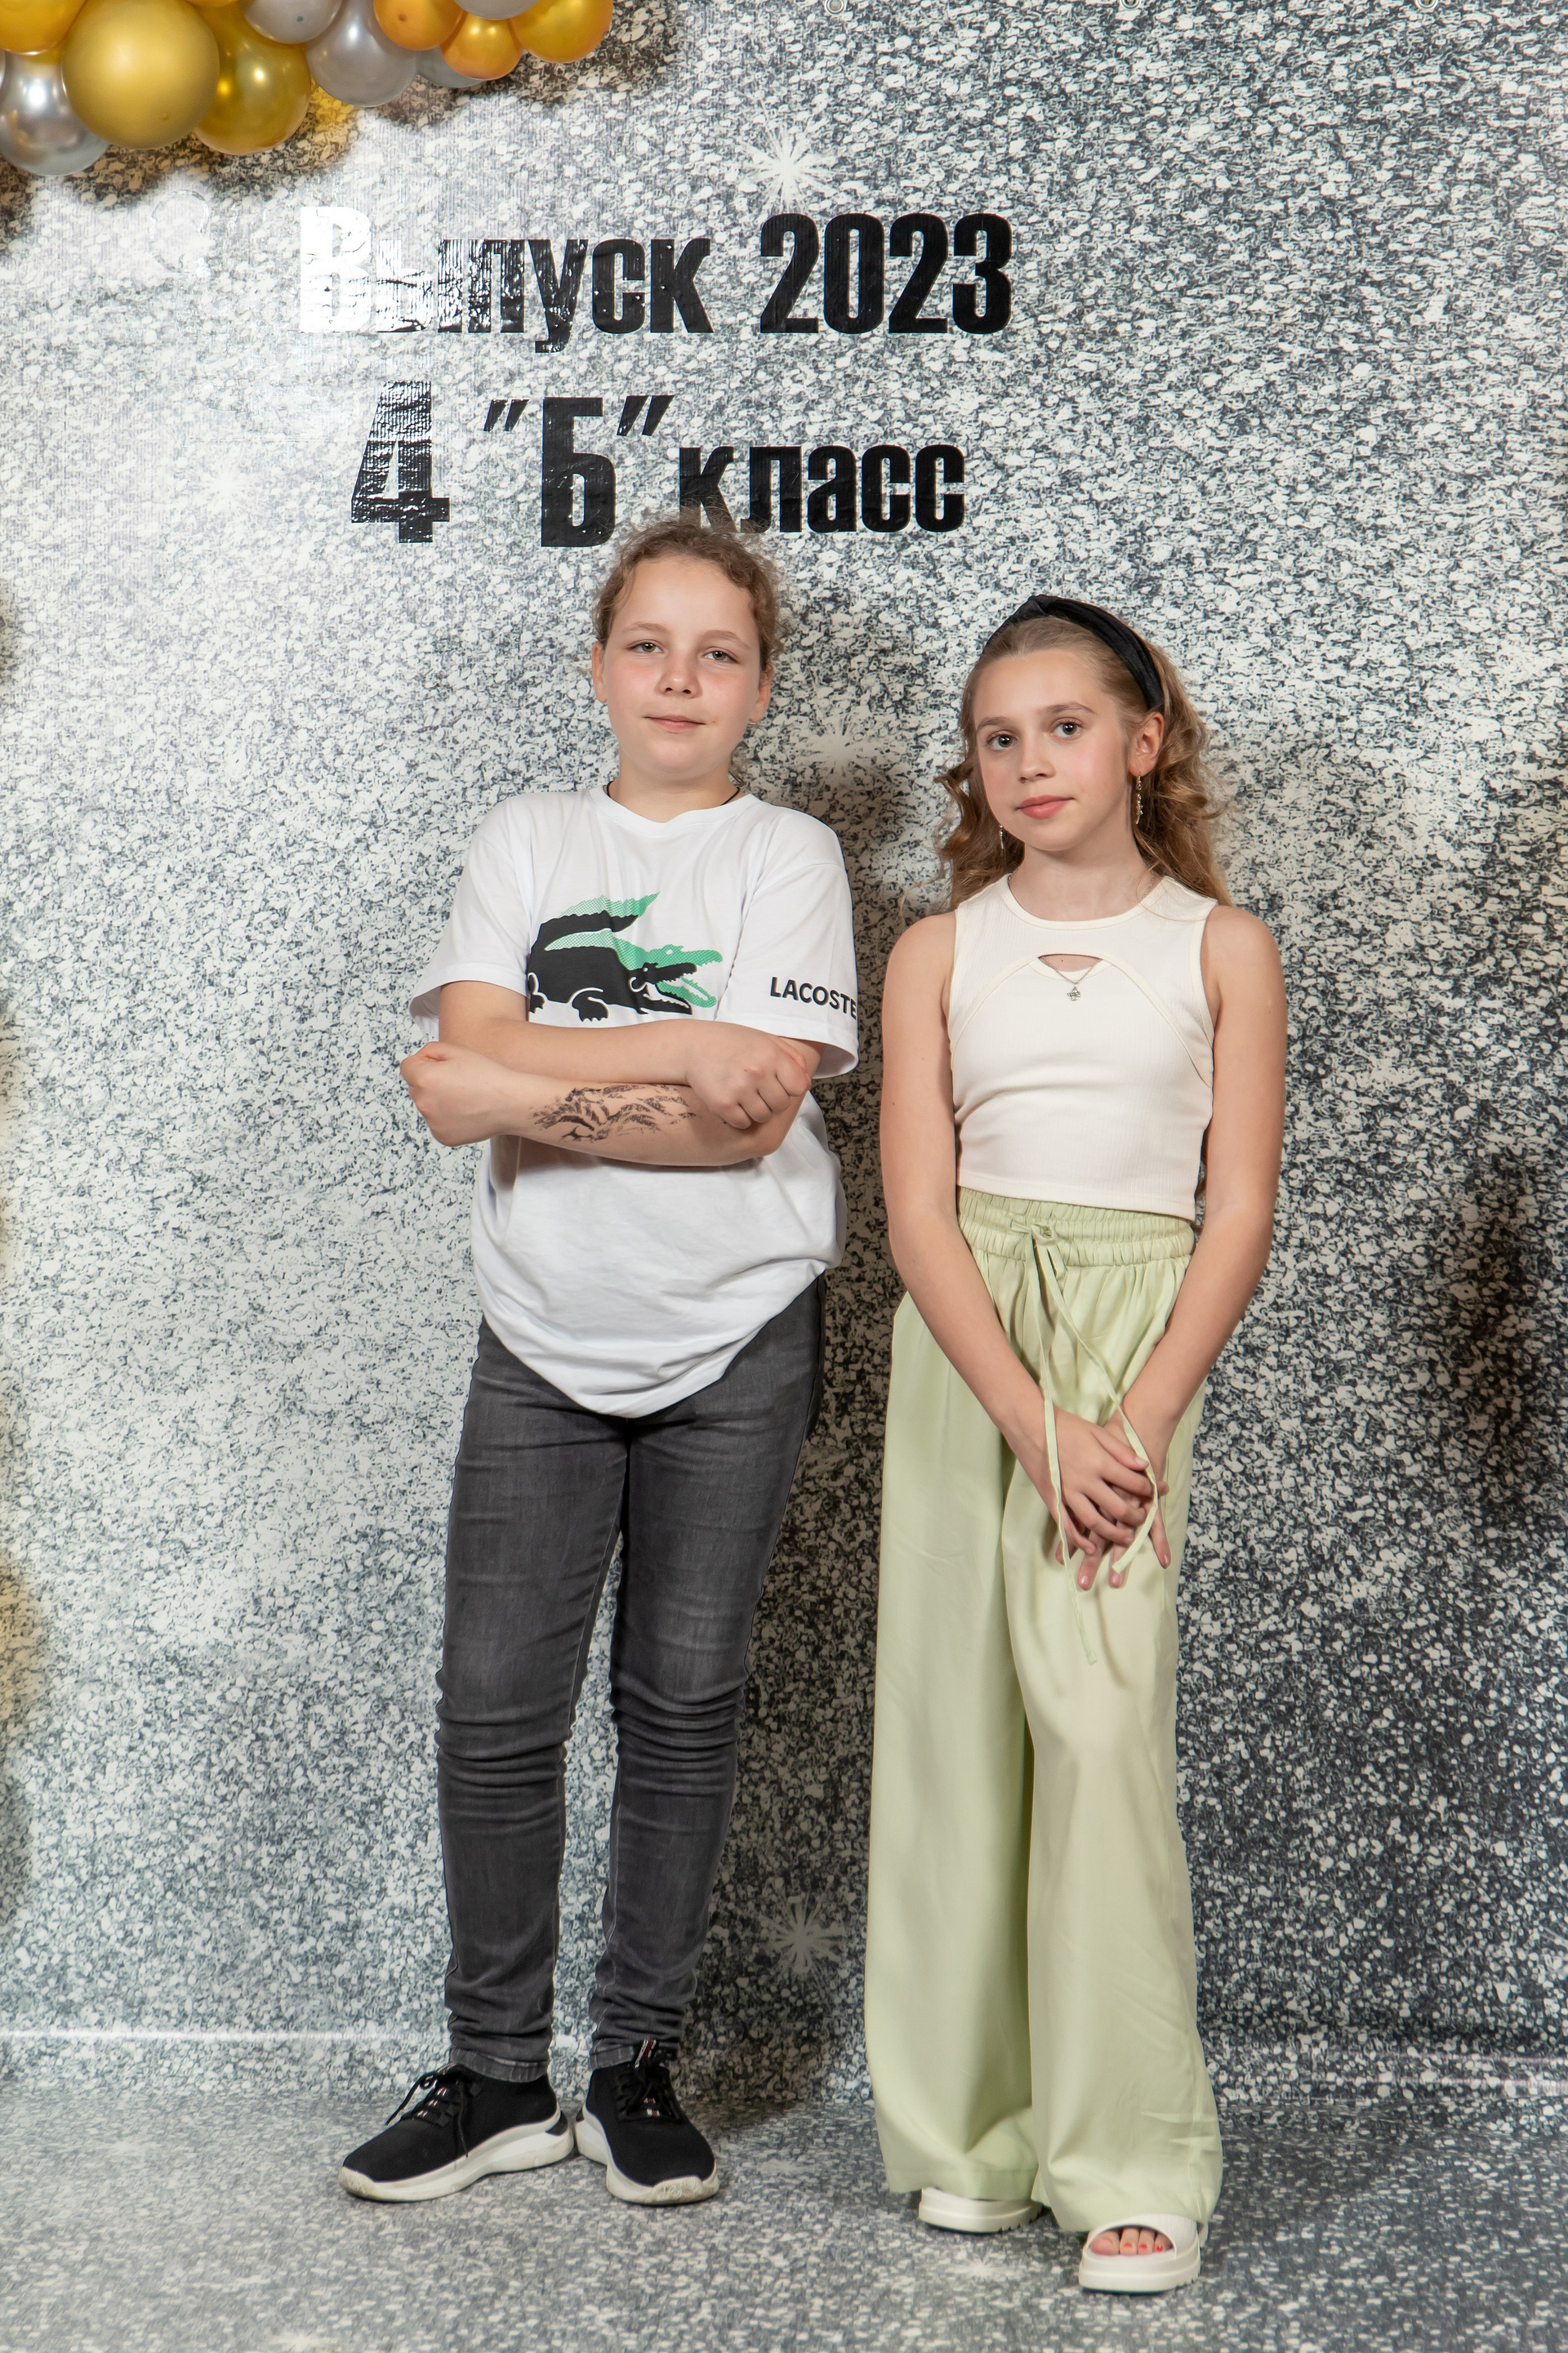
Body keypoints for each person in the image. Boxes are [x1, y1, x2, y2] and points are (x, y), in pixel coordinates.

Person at [339, 512, 858, 2210]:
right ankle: (498, 2075)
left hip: (735, 1335)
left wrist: (522, 1090)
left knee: (682, 1705)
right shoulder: (528, 834)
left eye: (720, 652)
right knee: (495, 1708)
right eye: (649, 644)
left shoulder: (788, 854)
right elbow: (472, 1059)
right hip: (539, 1336)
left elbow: (746, 1123)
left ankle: (636, 2062)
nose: (680, 679)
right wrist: (687, 1049)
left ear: (761, 686)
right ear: (598, 667)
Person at [864, 595, 1285, 2293]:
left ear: (1143, 740)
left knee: (1099, 1735)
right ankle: (974, 2132)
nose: (1030, 760)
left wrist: (1131, 1421)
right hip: (969, 1352)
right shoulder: (937, 951)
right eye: (998, 735)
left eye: (1064, 726)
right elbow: (915, 1211)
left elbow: (1235, 1211)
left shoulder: (1220, 947)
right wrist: (1024, 1419)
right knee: (955, 1735)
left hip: (1130, 1353)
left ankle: (1130, 2160)